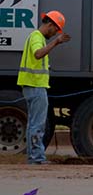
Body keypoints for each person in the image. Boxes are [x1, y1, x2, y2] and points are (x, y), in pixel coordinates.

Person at [17, 10, 71, 164]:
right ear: (50, 24)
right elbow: (38, 54)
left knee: (33, 123)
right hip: (35, 85)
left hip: (32, 85)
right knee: (37, 124)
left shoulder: (36, 37)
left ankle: (33, 157)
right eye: (56, 29)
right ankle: (36, 158)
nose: (55, 33)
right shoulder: (37, 37)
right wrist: (56, 42)